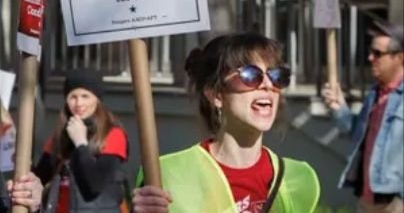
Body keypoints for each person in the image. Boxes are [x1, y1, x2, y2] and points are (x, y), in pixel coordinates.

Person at [132, 32, 320, 213]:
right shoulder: (166, 175)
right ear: (216, 95)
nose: (267, 85)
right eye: (250, 75)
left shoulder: (298, 180)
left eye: (276, 75)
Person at [323, 21, 404, 213]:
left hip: (395, 202)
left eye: (378, 54)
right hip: (367, 199)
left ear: (399, 58)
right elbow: (357, 133)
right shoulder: (375, 94)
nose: (370, 58)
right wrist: (339, 108)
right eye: (370, 51)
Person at [33, 68, 129, 213]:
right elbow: (40, 177)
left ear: (97, 99)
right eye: (73, 96)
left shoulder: (113, 134)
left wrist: (80, 143)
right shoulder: (60, 136)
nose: (78, 103)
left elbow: (94, 187)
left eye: (85, 96)